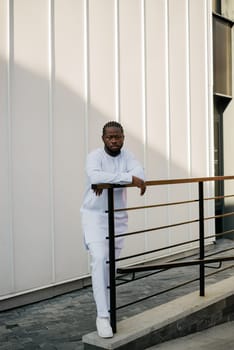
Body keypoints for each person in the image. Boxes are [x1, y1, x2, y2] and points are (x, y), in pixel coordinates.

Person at [80, 121, 146, 338]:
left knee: (110, 267)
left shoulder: (128, 156)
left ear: (123, 137)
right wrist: (128, 179)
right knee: (99, 260)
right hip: (95, 217)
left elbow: (141, 175)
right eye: (110, 137)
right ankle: (102, 316)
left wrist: (110, 181)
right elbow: (95, 176)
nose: (114, 140)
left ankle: (108, 310)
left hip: (118, 219)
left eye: (117, 136)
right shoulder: (95, 156)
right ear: (103, 139)